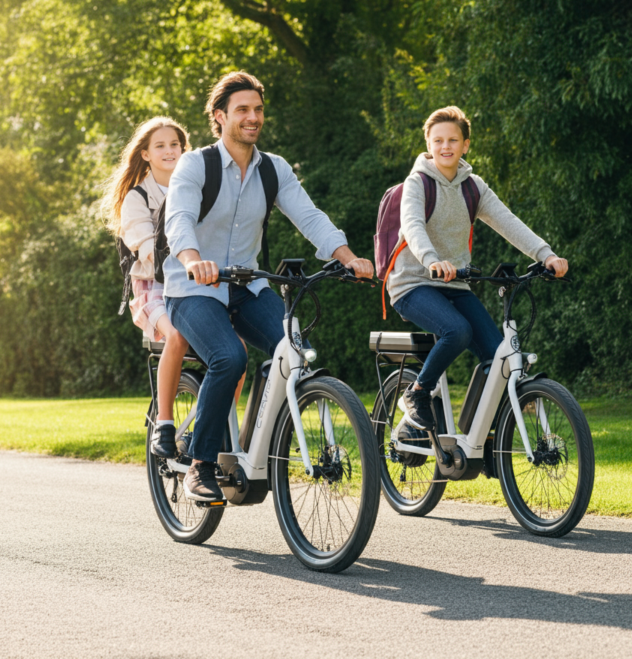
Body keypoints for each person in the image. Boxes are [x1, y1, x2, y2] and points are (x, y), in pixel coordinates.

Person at [163, 70, 374, 503]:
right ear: (220, 117)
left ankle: (258, 445)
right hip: (193, 287)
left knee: (296, 347)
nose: (253, 117)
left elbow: (309, 216)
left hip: (246, 284)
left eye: (258, 110)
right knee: (229, 356)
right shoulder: (195, 164)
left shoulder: (273, 169)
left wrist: (348, 257)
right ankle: (200, 465)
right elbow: (178, 219)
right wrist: (191, 259)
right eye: (243, 110)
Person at [387, 106, 569, 431]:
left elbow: (508, 222)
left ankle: (480, 440)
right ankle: (417, 393)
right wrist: (431, 260)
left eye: (453, 140)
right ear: (428, 143)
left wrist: (546, 255)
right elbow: (412, 225)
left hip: (455, 284)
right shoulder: (417, 183)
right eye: (438, 140)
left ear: (465, 144)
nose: (446, 147)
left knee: (497, 356)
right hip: (412, 283)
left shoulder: (474, 187)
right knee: (457, 331)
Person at [101, 117, 192, 458]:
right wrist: (188, 260)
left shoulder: (197, 187)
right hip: (153, 286)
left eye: (175, 145)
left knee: (236, 348)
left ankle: (215, 430)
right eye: (161, 146)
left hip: (194, 283)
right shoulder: (137, 198)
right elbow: (146, 246)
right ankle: (165, 425)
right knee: (177, 336)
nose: (170, 151)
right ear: (145, 154)